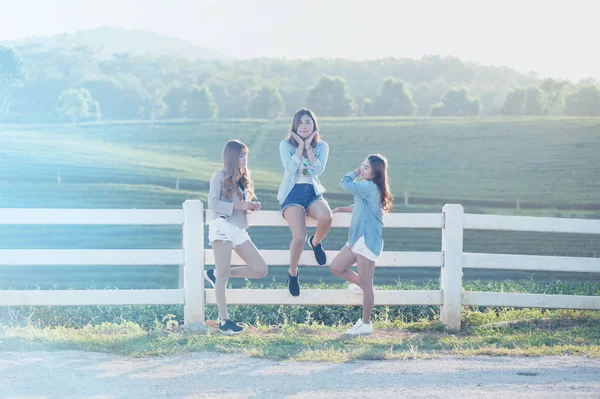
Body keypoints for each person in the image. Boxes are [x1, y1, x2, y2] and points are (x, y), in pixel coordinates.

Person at [204, 139, 268, 334]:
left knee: (260, 269)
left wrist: (250, 206)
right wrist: (238, 206)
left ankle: (216, 274)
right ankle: (225, 322)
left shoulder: (243, 180)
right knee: (222, 274)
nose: (244, 159)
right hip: (222, 225)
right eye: (241, 155)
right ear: (232, 157)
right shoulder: (219, 176)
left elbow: (240, 207)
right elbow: (213, 203)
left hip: (238, 229)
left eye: (246, 155)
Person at [329, 154, 393, 336]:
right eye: (361, 166)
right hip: (356, 239)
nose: (362, 169)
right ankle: (363, 286)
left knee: (367, 284)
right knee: (336, 267)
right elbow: (359, 206)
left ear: (375, 174)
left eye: (366, 167)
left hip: (367, 241)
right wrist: (340, 209)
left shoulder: (369, 187)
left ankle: (365, 323)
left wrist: (354, 173)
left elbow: (345, 183)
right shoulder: (369, 189)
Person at [277, 109, 332, 296]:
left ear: (314, 125)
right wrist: (300, 146)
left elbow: (318, 169)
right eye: (299, 123)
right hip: (292, 194)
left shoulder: (321, 146)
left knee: (326, 217)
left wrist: (309, 147)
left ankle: (315, 242)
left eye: (308, 122)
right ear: (294, 126)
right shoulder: (286, 145)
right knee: (299, 236)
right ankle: (293, 273)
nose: (303, 126)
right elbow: (291, 169)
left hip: (312, 193)